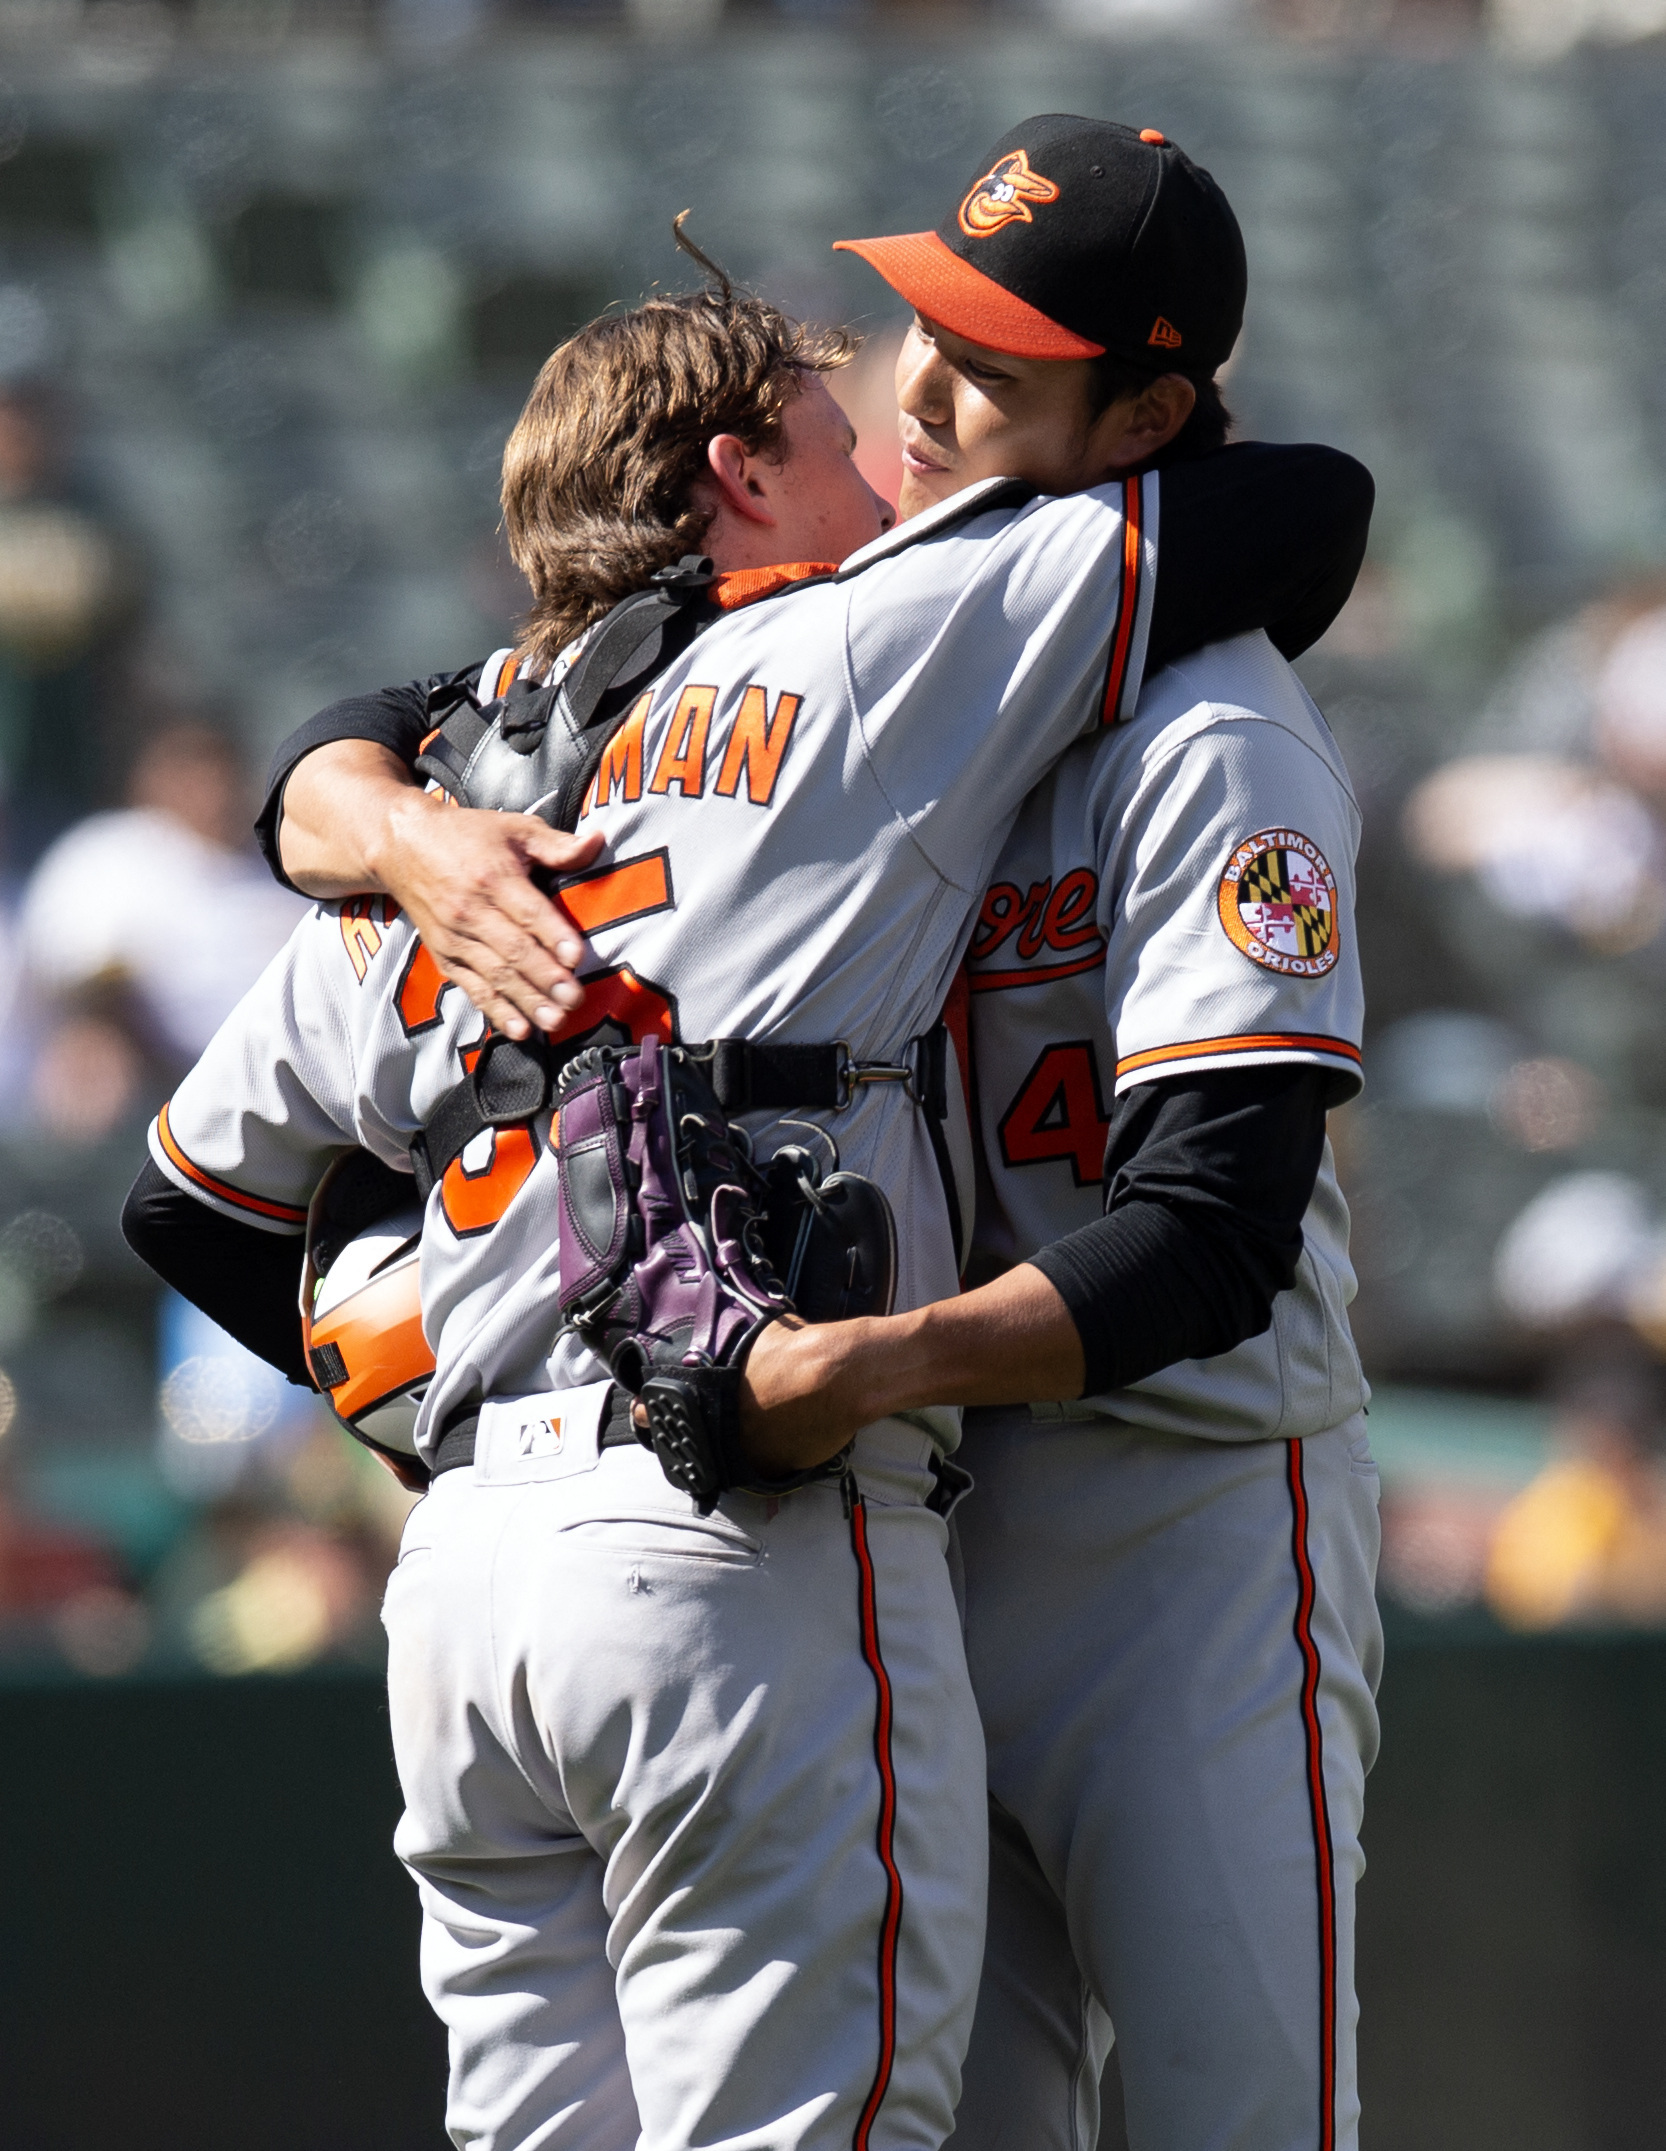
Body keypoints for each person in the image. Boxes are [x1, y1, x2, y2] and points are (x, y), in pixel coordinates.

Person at [129, 123, 1375, 2151]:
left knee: (1236, 2116)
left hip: (1175, 1488)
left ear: (1144, 413)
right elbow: (413, 714)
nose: (918, 384)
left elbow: (1217, 1225)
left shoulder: (1200, 706)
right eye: (918, 323)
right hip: (884, 1502)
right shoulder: (827, 633)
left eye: (992, 357)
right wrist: (391, 814)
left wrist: (810, 1372)